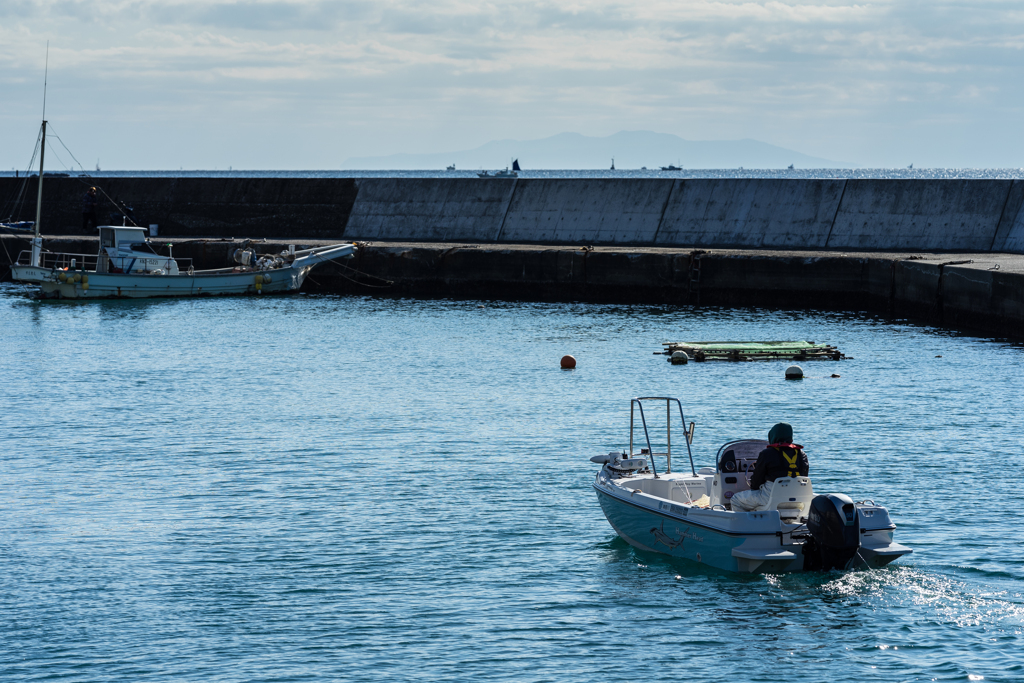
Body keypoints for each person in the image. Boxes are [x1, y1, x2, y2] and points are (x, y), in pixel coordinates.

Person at [730, 423, 809, 512]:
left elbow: (755, 483)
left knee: (736, 499)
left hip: (771, 500)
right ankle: (787, 521)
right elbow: (804, 477)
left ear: (773, 436)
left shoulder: (767, 453)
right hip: (797, 501)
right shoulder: (802, 454)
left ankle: (747, 524)